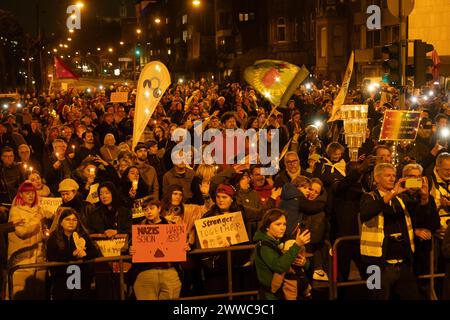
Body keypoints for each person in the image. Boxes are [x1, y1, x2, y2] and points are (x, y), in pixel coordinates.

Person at [360, 163, 422, 300]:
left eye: (394, 175)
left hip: (402, 263)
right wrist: (393, 192)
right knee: (375, 296)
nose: (392, 178)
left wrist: (424, 196)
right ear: (376, 179)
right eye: (388, 175)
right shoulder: (369, 197)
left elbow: (419, 212)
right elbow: (366, 213)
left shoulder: (400, 199)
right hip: (375, 263)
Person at [128, 199, 182, 300]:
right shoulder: (138, 228)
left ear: (159, 209)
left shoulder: (172, 226)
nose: (148, 211)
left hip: (169, 271)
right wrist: (130, 250)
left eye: (152, 208)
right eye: (145, 209)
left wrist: (186, 247)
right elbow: (128, 248)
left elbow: (182, 245)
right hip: (145, 273)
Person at [7, 181, 53, 299]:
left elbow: (41, 233)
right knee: (20, 293)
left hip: (39, 258)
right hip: (23, 259)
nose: (31, 196)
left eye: (33, 193)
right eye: (27, 193)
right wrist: (38, 218)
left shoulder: (39, 209)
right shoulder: (16, 211)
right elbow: (22, 232)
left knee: (38, 294)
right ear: (21, 195)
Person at [253, 208, 310, 300]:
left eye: (284, 224)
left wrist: (304, 263)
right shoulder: (264, 246)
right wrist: (297, 245)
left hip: (287, 292)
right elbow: (279, 266)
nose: (282, 227)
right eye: (278, 224)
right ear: (267, 226)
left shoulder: (280, 240)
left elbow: (296, 263)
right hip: (272, 296)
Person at [46, 208, 101, 300]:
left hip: (81, 278)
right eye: (67, 219)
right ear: (61, 223)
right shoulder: (54, 237)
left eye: (74, 220)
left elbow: (94, 251)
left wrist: (85, 254)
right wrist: (72, 255)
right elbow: (52, 256)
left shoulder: (82, 235)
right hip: (62, 278)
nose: (71, 222)